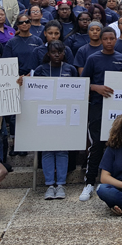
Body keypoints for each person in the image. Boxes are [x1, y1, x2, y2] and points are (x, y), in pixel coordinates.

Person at [80, 27, 122, 202]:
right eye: (106, 39)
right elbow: (83, 83)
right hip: (97, 107)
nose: (109, 41)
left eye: (112, 38)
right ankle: (89, 183)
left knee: (116, 145)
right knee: (97, 146)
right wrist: (96, 87)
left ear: (116, 40)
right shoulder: (93, 59)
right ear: (101, 40)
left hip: (117, 109)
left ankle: (109, 181)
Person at [34, 40, 78, 200]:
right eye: (54, 52)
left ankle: (60, 185)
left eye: (60, 52)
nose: (57, 55)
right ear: (48, 54)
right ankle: (49, 185)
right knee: (47, 150)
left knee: (62, 150)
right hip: (45, 115)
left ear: (64, 53)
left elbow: (77, 92)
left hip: (65, 115)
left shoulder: (71, 69)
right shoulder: (41, 69)